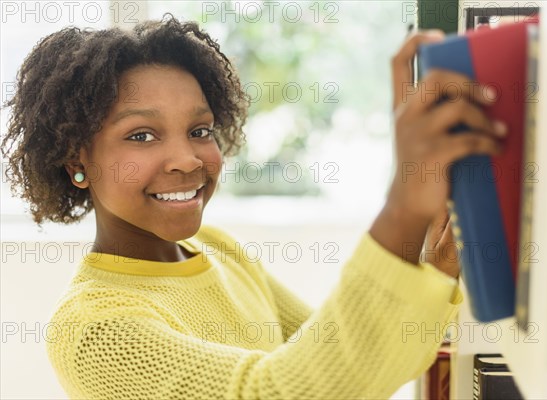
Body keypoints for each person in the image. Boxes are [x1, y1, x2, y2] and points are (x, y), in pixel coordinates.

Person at [1, 15, 506, 399]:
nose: (186, 159)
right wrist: (403, 205)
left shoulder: (217, 249)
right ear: (76, 160)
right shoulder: (95, 332)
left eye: (200, 131)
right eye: (142, 135)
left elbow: (350, 356)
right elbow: (276, 389)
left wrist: (437, 264)